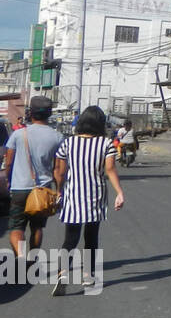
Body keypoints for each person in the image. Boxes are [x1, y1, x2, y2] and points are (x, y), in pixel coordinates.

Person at [52, 105, 123, 292]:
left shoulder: (68, 143)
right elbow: (110, 170)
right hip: (95, 196)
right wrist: (119, 193)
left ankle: (62, 273)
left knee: (70, 239)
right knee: (91, 238)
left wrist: (59, 190)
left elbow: (59, 171)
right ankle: (87, 276)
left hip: (73, 196)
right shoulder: (105, 144)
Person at [3, 95, 63, 259]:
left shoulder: (18, 134)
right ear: (49, 113)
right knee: (37, 227)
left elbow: (8, 163)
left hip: (19, 189)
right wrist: (59, 190)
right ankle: (32, 260)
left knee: (17, 226)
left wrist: (8, 179)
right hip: (43, 190)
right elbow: (58, 169)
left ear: (31, 112)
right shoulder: (57, 137)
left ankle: (20, 256)